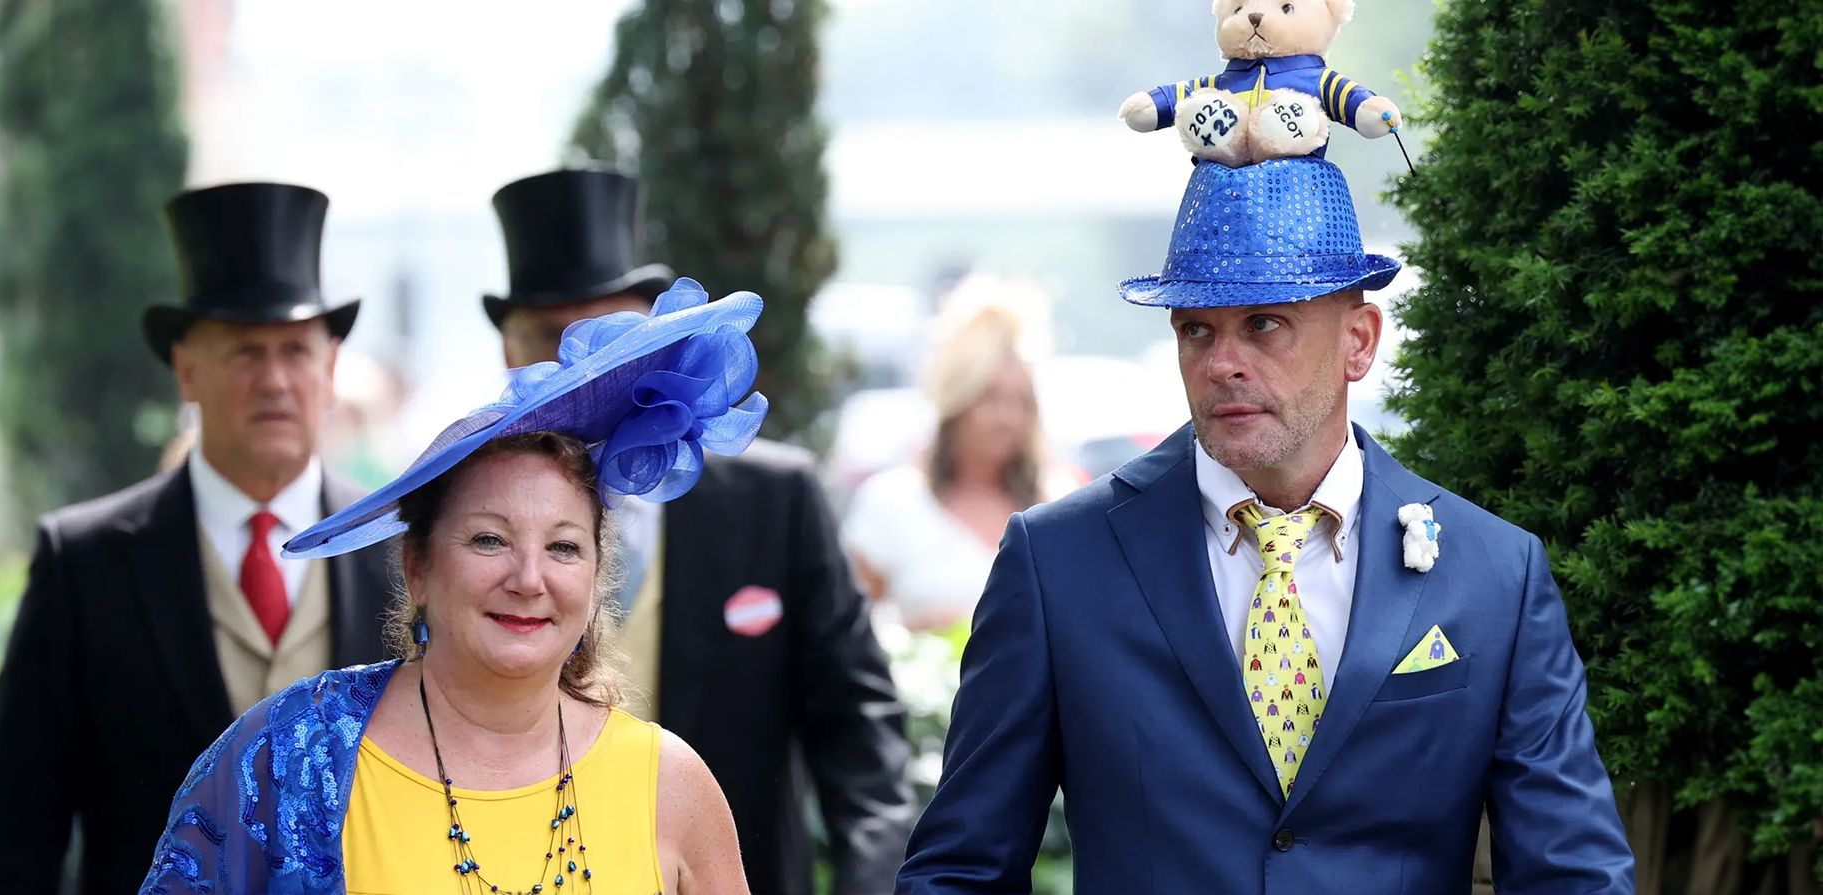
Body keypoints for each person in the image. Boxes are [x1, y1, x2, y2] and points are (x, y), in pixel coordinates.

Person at [895, 157, 1635, 892]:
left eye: (1263, 323)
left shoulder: (1494, 574)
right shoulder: (1059, 562)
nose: (1222, 363)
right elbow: (962, 871)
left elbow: (1573, 872)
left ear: (1360, 341)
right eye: (1196, 331)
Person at [140, 278, 763, 894]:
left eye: (563, 547)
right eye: (489, 540)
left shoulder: (671, 785)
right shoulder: (289, 757)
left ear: (596, 574)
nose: (528, 579)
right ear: (417, 568)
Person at [485, 168, 912, 894]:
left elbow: (858, 731)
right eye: (555, 339)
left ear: (655, 338)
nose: (585, 371)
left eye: (609, 336)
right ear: (508, 351)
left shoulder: (775, 502)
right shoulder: (466, 521)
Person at [0, 182, 397, 895]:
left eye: (295, 349)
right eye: (243, 350)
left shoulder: (399, 550)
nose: (274, 380)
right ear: (186, 367)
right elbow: (17, 843)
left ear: (329, 368)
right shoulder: (85, 563)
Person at [842, 279, 1062, 633]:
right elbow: (846, 631)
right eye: (989, 398)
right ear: (957, 401)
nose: (1006, 418)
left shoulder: (1056, 504)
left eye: (1020, 401)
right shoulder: (891, 505)